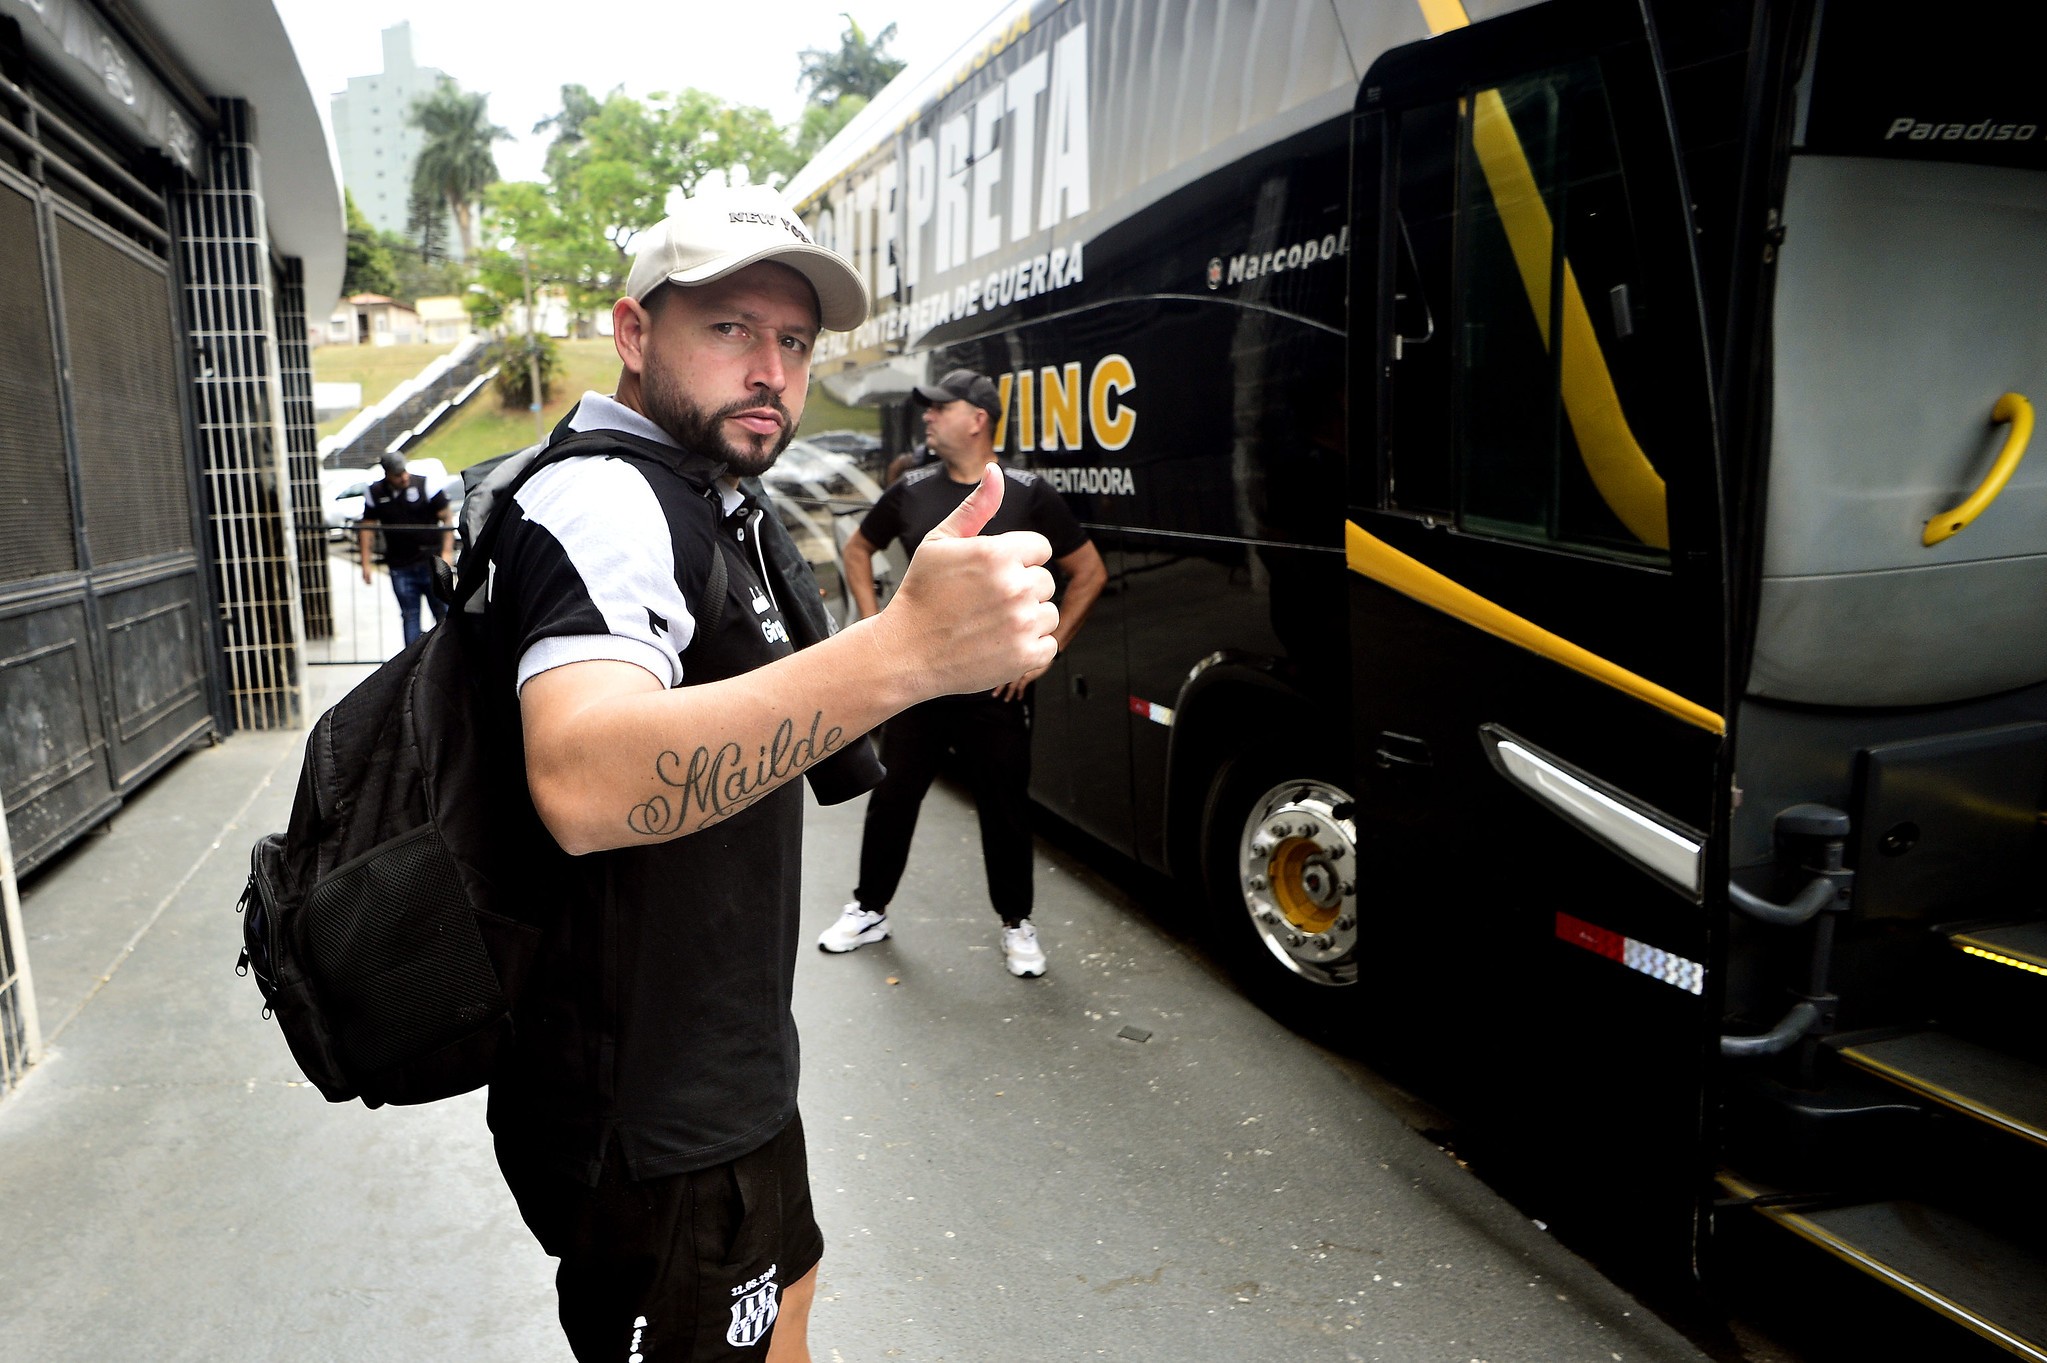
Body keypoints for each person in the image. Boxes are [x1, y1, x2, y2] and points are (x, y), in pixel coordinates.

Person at [480, 185, 1060, 1363]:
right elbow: (585, 785)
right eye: (731, 328)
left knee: (789, 1303)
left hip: (726, 1065)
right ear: (635, 334)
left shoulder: (705, 494)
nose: (772, 370)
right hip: (647, 1110)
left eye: (793, 341)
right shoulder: (603, 498)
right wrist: (899, 654)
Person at [817, 369, 1107, 978]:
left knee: (1004, 806)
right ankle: (870, 908)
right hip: (921, 682)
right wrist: (879, 632)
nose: (926, 416)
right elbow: (857, 550)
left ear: (978, 418)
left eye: (939, 407)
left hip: (994, 689)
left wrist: (1043, 650)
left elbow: (1090, 573)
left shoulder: (1030, 494)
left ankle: (1016, 923)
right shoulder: (912, 489)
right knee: (893, 797)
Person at [357, 450, 452, 646]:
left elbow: (447, 519)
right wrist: (365, 563)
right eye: (398, 475)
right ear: (387, 475)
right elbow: (367, 529)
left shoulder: (425, 485)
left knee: (443, 614)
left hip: (430, 563)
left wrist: (447, 552)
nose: (404, 477)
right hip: (400, 566)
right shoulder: (376, 492)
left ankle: (449, 657)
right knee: (410, 616)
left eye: (405, 471)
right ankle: (412, 666)